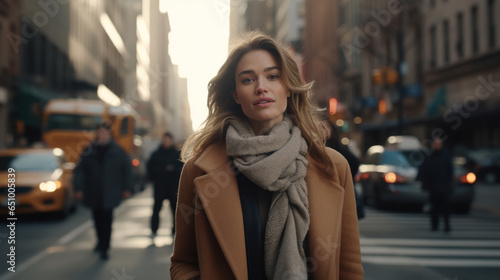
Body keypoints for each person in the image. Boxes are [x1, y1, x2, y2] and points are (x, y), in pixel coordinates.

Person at [170, 32, 363, 280]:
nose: (261, 87)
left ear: (289, 87)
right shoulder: (199, 169)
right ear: (236, 94)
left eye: (272, 76)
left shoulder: (333, 167)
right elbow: (183, 263)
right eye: (248, 80)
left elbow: (349, 267)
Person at [74, 121, 133, 259]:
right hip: (93, 191)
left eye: (104, 133)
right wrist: (79, 188)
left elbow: (127, 171)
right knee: (97, 218)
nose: (102, 135)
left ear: (109, 134)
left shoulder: (118, 151)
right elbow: (80, 171)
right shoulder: (89, 150)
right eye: (99, 132)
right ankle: (100, 241)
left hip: (110, 191)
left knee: (107, 219)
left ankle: (104, 247)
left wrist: (127, 188)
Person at [324, 119, 365, 220]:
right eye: (321, 127)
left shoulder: (339, 148)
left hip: (339, 190)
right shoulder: (315, 147)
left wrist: (345, 178)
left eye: (326, 127)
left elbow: (355, 163)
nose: (324, 130)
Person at [146, 132, 183, 237]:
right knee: (156, 210)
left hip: (173, 188)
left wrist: (173, 169)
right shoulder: (156, 154)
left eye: (168, 140)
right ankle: (154, 230)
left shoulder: (177, 155)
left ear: (171, 141)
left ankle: (174, 231)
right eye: (165, 140)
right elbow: (150, 169)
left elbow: (182, 169)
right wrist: (161, 171)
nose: (166, 142)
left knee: (175, 211)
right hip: (159, 187)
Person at [418, 137, 454, 232]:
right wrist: (424, 183)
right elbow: (424, 170)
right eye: (436, 144)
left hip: (443, 186)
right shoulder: (430, 156)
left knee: (445, 208)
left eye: (439, 144)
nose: (437, 146)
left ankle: (446, 225)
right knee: (434, 208)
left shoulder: (445, 156)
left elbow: (450, 171)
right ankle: (435, 225)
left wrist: (449, 184)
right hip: (433, 187)